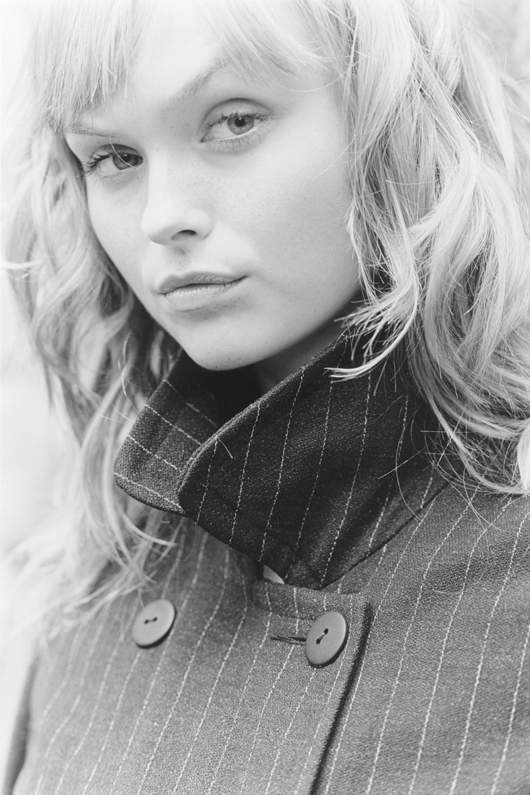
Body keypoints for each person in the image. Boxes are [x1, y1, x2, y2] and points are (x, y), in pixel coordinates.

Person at [2, 0, 530, 792]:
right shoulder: (100, 573)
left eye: (234, 122)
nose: (163, 216)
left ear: (395, 116)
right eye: (113, 156)